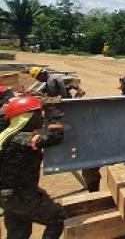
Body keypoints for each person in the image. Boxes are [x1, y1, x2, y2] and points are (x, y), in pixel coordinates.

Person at [0, 96, 66, 239]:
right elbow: (54, 138)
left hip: (7, 197)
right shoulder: (23, 138)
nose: (40, 116)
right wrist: (53, 119)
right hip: (22, 194)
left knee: (19, 234)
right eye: (37, 114)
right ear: (26, 118)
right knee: (57, 218)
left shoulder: (6, 136)